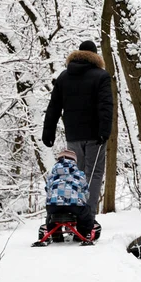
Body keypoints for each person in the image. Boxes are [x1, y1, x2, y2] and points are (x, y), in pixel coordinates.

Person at [42, 40, 113, 220]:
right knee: (94, 174)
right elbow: (106, 106)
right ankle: (87, 216)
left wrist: (48, 132)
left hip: (73, 134)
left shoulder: (64, 77)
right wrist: (105, 131)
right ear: (96, 56)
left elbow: (54, 107)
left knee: (75, 174)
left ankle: (74, 212)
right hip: (96, 135)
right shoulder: (101, 76)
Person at [45, 149, 94, 245]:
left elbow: (47, 189)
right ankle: (82, 233)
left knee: (50, 215)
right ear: (74, 161)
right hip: (75, 205)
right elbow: (85, 191)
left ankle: (55, 233)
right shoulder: (79, 174)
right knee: (86, 213)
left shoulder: (52, 175)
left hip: (54, 206)